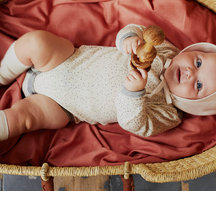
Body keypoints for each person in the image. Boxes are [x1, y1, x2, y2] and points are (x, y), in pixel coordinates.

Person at [0, 24, 216, 141]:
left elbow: (136, 125)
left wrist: (133, 93)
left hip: (63, 107)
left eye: (198, 86)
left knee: (23, 119)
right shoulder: (165, 50)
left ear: (195, 104)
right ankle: (2, 74)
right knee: (36, 42)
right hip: (69, 61)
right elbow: (136, 29)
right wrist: (129, 39)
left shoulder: (169, 113)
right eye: (198, 62)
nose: (189, 73)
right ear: (195, 50)